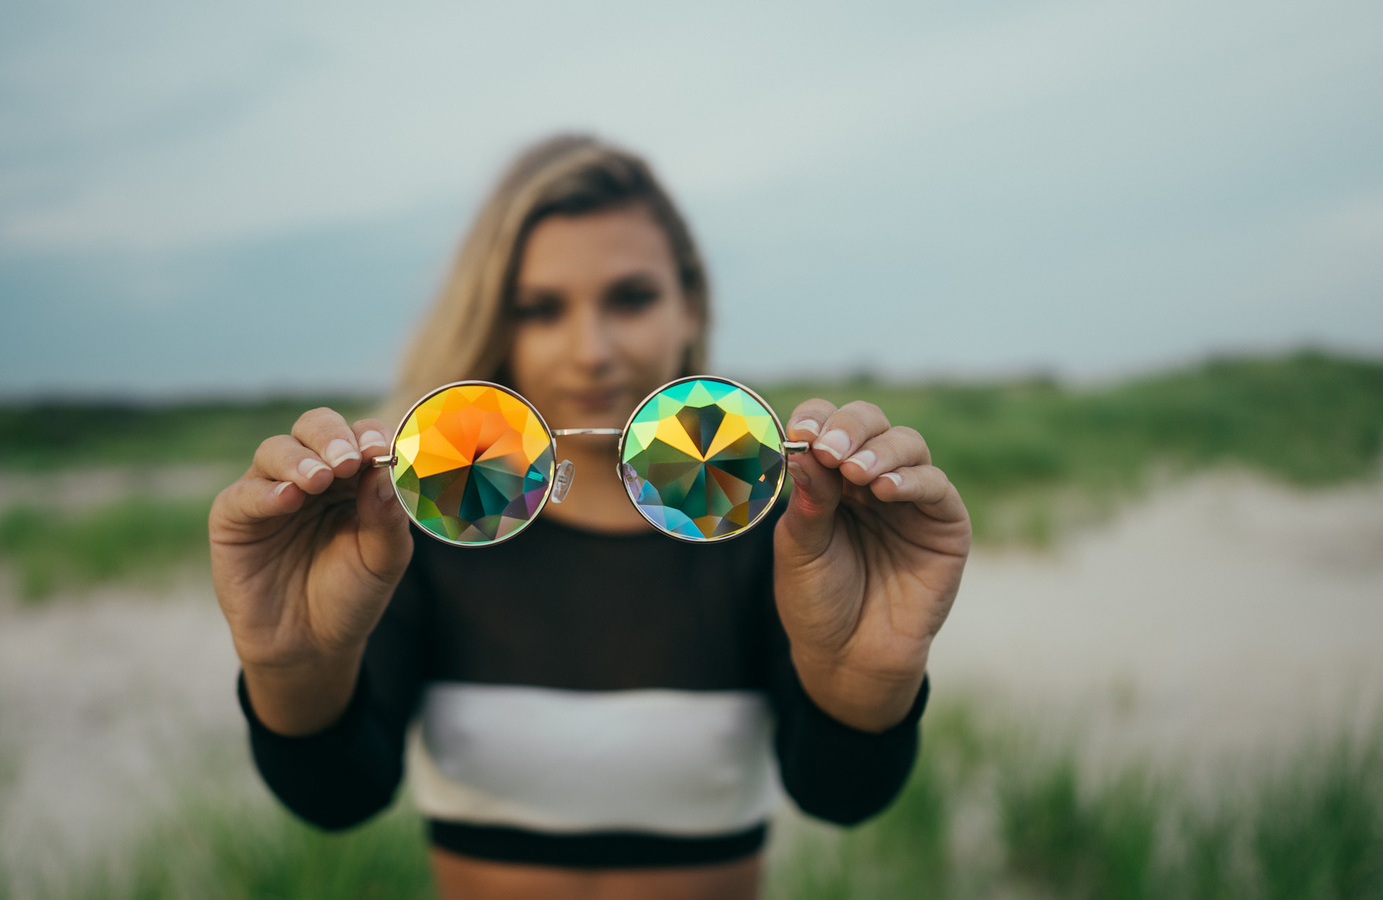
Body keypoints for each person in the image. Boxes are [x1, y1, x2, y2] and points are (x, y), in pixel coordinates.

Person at [208, 134, 971, 900]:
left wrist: (869, 680)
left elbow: (843, 796)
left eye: (630, 298)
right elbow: (338, 798)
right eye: (540, 309)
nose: (591, 351)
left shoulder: (777, 529)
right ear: (495, 325)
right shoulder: (422, 527)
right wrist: (291, 669)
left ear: (691, 304)